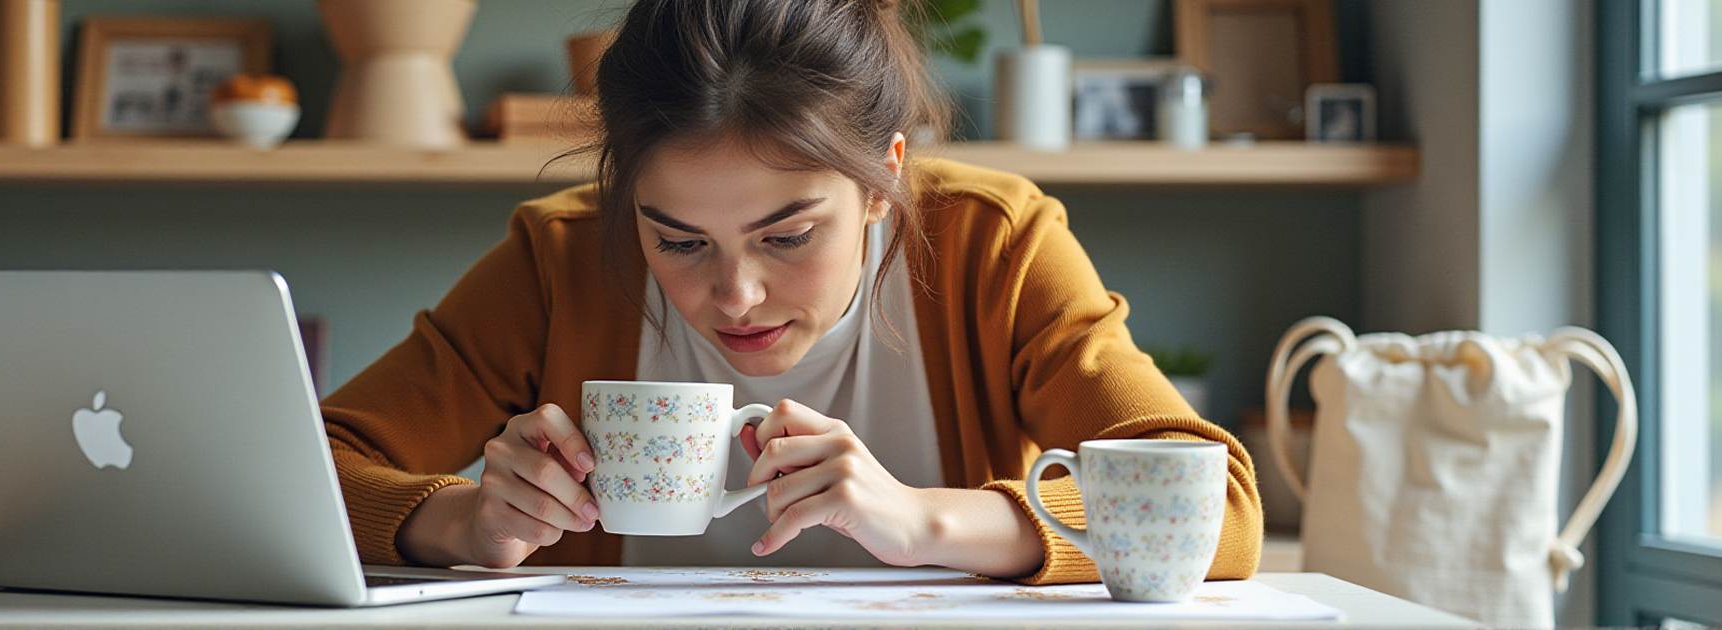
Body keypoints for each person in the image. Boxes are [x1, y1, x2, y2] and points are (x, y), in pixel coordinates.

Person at [322, 0, 1262, 584]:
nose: (734, 294)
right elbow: (308, 468)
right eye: (677, 240)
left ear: (883, 178)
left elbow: (1213, 507)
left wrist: (925, 519)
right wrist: (458, 519)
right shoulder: (561, 259)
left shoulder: (993, 245)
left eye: (788, 235)